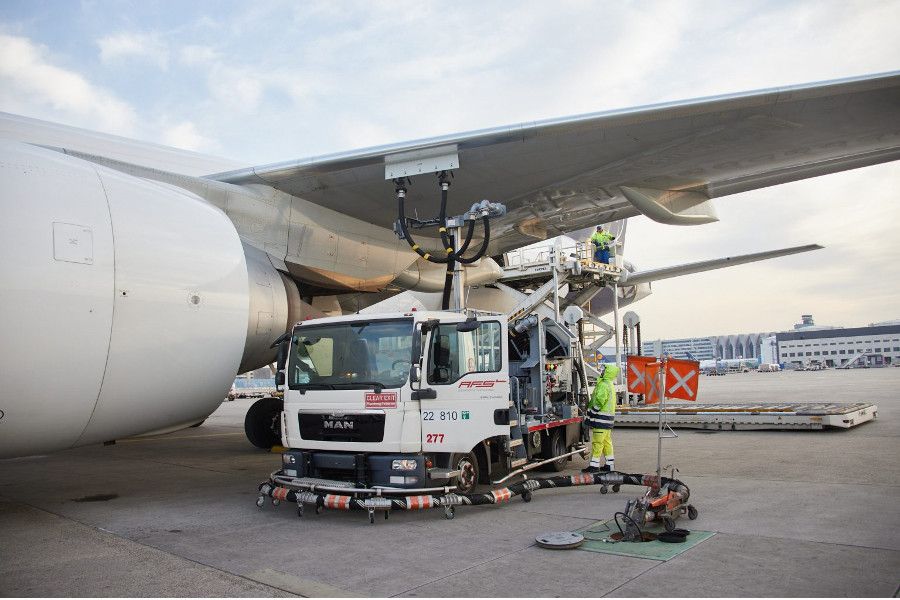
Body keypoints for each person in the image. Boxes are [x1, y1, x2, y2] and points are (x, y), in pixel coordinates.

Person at [582, 363, 619, 473]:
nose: (601, 372)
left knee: (597, 443)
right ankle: (609, 465)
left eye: (603, 370)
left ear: (607, 372)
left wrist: (592, 412)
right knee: (607, 443)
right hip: (607, 421)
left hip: (600, 420)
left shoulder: (603, 385)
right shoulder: (610, 384)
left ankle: (594, 466)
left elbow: (599, 401)